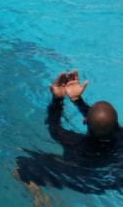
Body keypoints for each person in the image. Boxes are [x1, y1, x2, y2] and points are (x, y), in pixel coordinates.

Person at [15, 70, 122, 200]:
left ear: (85, 121)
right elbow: (102, 121)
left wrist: (57, 99)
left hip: (83, 179)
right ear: (117, 124)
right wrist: (78, 100)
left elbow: (53, 125)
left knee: (20, 165)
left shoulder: (73, 141)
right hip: (114, 182)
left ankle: (41, 199)